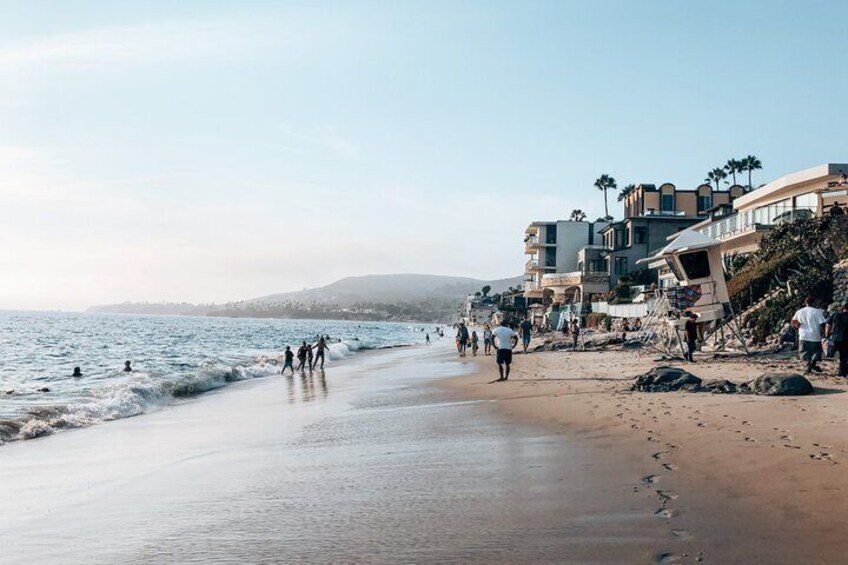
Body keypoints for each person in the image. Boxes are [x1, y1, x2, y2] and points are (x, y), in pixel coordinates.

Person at [791, 297, 827, 374]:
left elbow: (793, 321)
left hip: (803, 335)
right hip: (815, 335)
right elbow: (822, 323)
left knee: (805, 352)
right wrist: (824, 333)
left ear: (805, 303)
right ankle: (812, 366)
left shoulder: (799, 311)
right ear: (814, 303)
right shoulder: (817, 312)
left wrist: (797, 326)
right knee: (816, 352)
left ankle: (809, 366)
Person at [826, 303, 848, 377]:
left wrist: (827, 335)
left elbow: (828, 325)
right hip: (846, 339)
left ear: (843, 308)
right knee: (844, 357)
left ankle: (811, 366)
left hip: (835, 338)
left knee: (830, 353)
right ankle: (842, 372)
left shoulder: (835, 314)